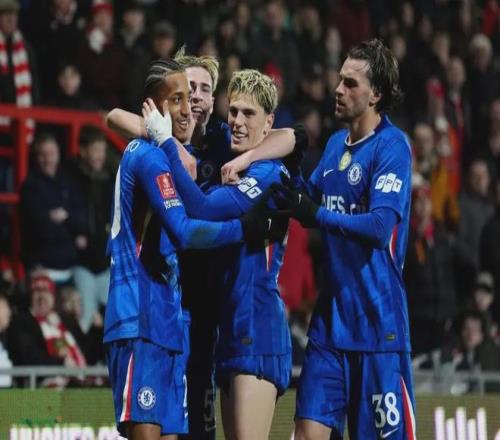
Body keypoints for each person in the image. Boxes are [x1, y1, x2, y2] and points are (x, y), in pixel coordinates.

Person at [106, 50, 298, 440]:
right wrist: (162, 138)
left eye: (201, 91)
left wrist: (250, 156)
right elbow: (185, 229)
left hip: (218, 323)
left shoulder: (233, 151)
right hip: (149, 315)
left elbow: (293, 136)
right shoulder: (152, 153)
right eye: (181, 95)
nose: (191, 101)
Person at [269, 39, 416, 439]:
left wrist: (315, 214)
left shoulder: (392, 146)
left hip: (378, 329)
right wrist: (289, 171)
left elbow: (380, 227)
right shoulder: (336, 145)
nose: (338, 89)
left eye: (351, 83)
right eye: (339, 80)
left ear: (376, 94)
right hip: (330, 327)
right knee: (306, 432)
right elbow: (309, 199)